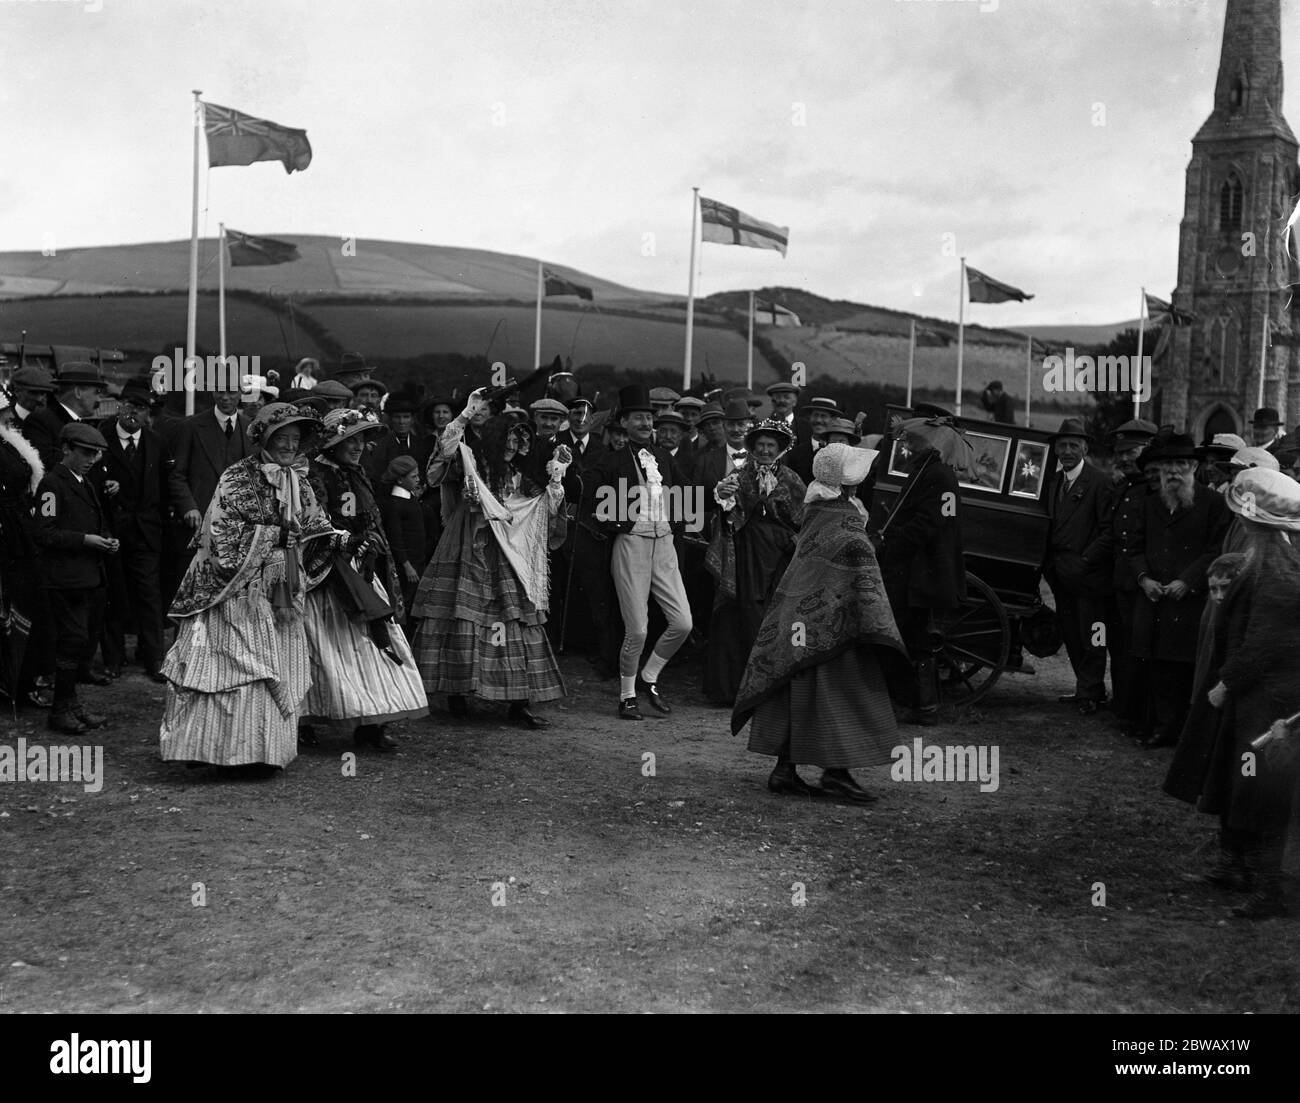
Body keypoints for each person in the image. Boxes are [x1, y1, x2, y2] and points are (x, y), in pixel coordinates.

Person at [159, 403, 338, 776]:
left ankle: (264, 752)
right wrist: (275, 535)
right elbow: (221, 537)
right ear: (265, 440)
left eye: (295, 439)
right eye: (281, 438)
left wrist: (335, 539)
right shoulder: (237, 477)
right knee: (236, 668)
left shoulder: (299, 481)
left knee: (276, 664)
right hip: (236, 593)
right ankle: (218, 751)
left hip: (281, 593)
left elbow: (314, 523)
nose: (289, 446)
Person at [733, 443, 906, 801]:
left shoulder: (816, 510)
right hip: (833, 626)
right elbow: (863, 574)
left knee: (795, 692)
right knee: (841, 694)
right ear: (847, 484)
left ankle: (785, 770)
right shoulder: (844, 520)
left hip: (798, 620)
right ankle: (836, 774)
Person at [1164, 468, 1300, 919]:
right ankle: (1232, 867)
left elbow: (1267, 642)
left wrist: (1227, 682)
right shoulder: (1264, 560)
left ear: (1259, 523)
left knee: (1264, 792)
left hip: (1268, 701)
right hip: (1252, 698)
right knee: (1235, 780)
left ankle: (1268, 891)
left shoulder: (1278, 570)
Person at [412, 392, 569, 728]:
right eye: (509, 437)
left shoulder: (520, 475)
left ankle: (518, 701)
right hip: (470, 544)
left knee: (516, 618)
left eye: (519, 438)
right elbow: (441, 460)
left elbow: (541, 508)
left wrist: (557, 475)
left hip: (509, 553)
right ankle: (456, 690)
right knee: (462, 613)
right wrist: (465, 415)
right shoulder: (471, 461)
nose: (514, 444)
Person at [303, 408, 429, 749]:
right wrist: (348, 540)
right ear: (332, 443)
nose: (356, 446)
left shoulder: (356, 473)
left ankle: (373, 724)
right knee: (326, 647)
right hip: (330, 572)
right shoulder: (315, 475)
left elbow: (370, 517)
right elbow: (316, 522)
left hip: (362, 566)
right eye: (349, 440)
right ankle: (307, 721)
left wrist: (370, 544)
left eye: (360, 439)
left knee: (374, 643)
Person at [581, 384, 693, 720]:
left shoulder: (662, 458)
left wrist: (708, 499)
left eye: (648, 417)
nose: (645, 423)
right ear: (624, 423)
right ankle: (627, 694)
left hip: (665, 548)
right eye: (638, 418)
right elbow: (590, 500)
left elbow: (687, 493)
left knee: (683, 623)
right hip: (631, 546)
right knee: (638, 629)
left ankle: (650, 676)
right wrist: (621, 525)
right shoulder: (610, 461)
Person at [1128, 433, 1231, 747]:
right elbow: (1132, 548)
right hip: (1153, 597)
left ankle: (1175, 730)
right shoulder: (1148, 504)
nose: (1173, 470)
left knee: (1181, 667)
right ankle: (1153, 725)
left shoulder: (1213, 503)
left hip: (1188, 600)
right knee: (1152, 664)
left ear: (1193, 467)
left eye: (1181, 464)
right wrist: (1144, 579)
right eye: (1168, 464)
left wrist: (1187, 580)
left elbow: (1215, 550)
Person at [96, 378, 200, 682]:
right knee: (114, 593)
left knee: (149, 595)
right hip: (112, 530)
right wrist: (105, 490)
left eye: (141, 408)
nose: (133, 412)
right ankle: (113, 659)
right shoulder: (101, 438)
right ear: (120, 406)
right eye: (129, 405)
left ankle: (154, 658)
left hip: (147, 531)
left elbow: (169, 485)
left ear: (148, 414)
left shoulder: (156, 442)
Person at [704, 419, 805, 705]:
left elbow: (802, 521)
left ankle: (768, 689)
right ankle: (730, 691)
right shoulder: (739, 476)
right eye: (760, 445)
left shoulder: (793, 480)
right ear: (752, 447)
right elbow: (726, 512)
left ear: (780, 449)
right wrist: (725, 501)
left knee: (773, 618)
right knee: (738, 616)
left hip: (779, 559)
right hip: (745, 557)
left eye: (770, 445)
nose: (764, 450)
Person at [876, 417, 969, 726]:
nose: (905, 444)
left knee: (916, 639)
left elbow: (930, 524)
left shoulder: (939, 476)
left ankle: (922, 707)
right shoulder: (926, 472)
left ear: (928, 444)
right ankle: (919, 705)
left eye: (911, 441)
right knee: (914, 638)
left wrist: (891, 540)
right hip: (918, 570)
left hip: (923, 573)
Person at [34, 423, 118, 735]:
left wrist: (107, 538)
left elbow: (95, 520)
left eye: (96, 453)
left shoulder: (83, 481)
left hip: (85, 576)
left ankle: (71, 705)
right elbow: (44, 532)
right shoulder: (52, 485)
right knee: (70, 642)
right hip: (64, 578)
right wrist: (85, 540)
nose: (92, 458)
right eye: (85, 452)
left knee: (77, 641)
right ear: (66, 449)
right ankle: (60, 710)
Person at [1043, 418, 1114, 716]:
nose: (1067, 451)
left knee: (1093, 634)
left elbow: (1109, 530)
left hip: (1089, 576)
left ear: (1085, 448)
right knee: (1071, 631)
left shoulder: (1099, 482)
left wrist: (1087, 560)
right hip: (1060, 574)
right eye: (1063, 445)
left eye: (1074, 445)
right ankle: (1084, 688)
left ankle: (1092, 691)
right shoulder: (1053, 482)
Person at [1106, 418, 1158, 737]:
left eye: (1131, 452)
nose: (1124, 459)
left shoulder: (1154, 490)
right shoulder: (1125, 487)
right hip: (1122, 581)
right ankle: (1124, 707)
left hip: (1144, 582)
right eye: (1120, 453)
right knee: (1121, 646)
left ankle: (1139, 713)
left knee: (1140, 649)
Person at [0, 386, 50, 710]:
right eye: (6, 412)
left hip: (19, 530)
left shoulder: (9, 441)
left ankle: (19, 682)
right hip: (6, 534)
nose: (10, 416)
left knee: (27, 604)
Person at [22, 362, 109, 472]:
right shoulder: (40, 420)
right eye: (97, 392)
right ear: (78, 392)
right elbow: (43, 463)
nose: (99, 399)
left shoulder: (81, 425)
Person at [379, 455, 427, 623]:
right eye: (413, 477)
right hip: (407, 564)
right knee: (404, 604)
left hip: (418, 559)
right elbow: (395, 538)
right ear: (400, 480)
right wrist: (406, 565)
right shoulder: (395, 504)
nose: (418, 479)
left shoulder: (410, 497)